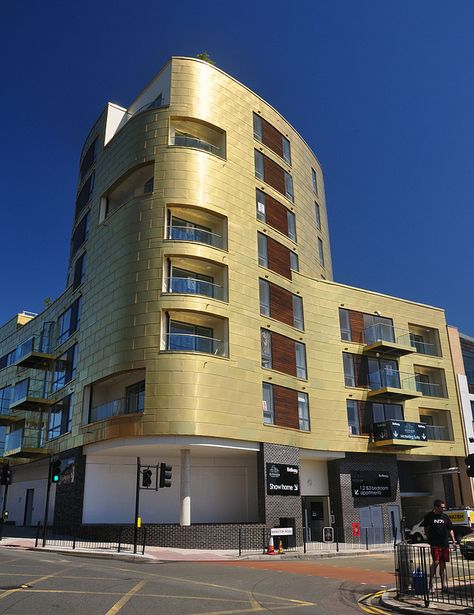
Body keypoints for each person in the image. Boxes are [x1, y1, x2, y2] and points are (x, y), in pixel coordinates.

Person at [422, 499, 457, 592]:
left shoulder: (445, 517)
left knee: (443, 564)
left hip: (444, 543)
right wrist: (429, 538)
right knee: (436, 562)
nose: (443, 509)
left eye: (443, 507)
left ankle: (444, 586)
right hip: (435, 543)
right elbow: (426, 528)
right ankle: (431, 584)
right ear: (436, 507)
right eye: (442, 507)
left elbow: (450, 529)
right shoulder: (429, 516)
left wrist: (453, 541)